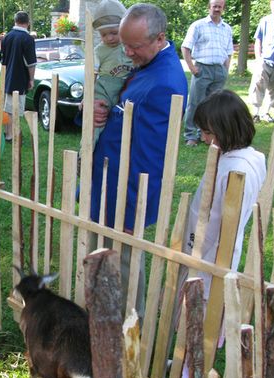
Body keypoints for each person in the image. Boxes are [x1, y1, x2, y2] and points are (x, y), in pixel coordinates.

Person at [90, 3, 188, 318]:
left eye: (134, 46)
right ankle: (105, 323)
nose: (127, 53)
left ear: (160, 39)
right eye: (124, 44)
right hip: (109, 183)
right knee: (106, 262)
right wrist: (99, 110)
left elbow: (150, 158)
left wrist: (132, 215)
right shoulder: (148, 66)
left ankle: (130, 334)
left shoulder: (165, 84)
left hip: (126, 197)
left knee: (126, 268)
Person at [177, 89, 266, 378]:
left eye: (207, 132)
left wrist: (200, 250)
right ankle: (186, 366)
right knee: (204, 310)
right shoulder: (249, 158)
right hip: (214, 248)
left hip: (212, 252)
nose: (203, 139)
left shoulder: (235, 168)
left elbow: (221, 221)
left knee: (201, 315)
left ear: (225, 130)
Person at [181, 0, 233, 147]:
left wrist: (225, 69)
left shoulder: (226, 28)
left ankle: (210, 134)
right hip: (202, 69)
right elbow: (186, 47)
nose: (217, 9)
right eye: (214, 6)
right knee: (195, 103)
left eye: (220, 7)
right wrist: (192, 67)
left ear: (223, 8)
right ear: (209, 7)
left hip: (219, 70)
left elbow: (229, 51)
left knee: (215, 105)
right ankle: (191, 135)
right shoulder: (198, 25)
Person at [92, 0, 134, 144]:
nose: (109, 38)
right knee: (96, 122)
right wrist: (89, 97)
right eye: (103, 35)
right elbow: (92, 74)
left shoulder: (131, 45)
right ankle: (85, 152)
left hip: (127, 88)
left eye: (114, 33)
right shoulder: (99, 51)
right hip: (106, 89)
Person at [0, 11, 37, 142]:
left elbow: (2, 59)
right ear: (28, 23)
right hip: (20, 77)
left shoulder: (7, 37)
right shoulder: (28, 39)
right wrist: (31, 79)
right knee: (14, 108)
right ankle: (12, 135)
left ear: (15, 21)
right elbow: (31, 63)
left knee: (8, 106)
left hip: (7, 76)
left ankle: (9, 132)